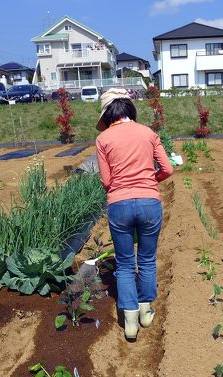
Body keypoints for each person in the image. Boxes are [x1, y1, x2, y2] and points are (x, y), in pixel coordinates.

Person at [95, 88, 174, 340]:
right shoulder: (148, 133)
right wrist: (151, 180)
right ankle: (146, 311)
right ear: (130, 109)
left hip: (119, 205)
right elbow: (168, 169)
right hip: (150, 202)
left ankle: (130, 322)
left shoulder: (104, 139)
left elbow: (106, 181)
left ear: (108, 114)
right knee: (148, 259)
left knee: (126, 263)